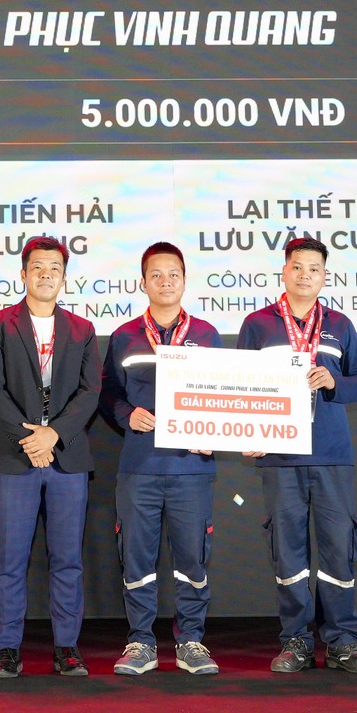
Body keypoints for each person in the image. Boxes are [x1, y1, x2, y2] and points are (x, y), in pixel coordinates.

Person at [239, 236, 357, 675]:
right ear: (284, 271)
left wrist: (334, 382)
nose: (305, 275)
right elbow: (241, 387)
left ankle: (342, 641)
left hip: (332, 455)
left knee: (339, 550)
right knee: (289, 554)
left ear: (324, 276)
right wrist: (248, 431)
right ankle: (296, 640)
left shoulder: (340, 324)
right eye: (297, 267)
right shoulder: (258, 324)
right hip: (280, 456)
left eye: (314, 268)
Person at [0, 236, 100, 678]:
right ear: (23, 274)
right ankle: (8, 648)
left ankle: (66, 647)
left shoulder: (82, 329)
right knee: (10, 559)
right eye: (38, 268)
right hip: (14, 457)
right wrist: (32, 439)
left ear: (64, 278)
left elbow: (90, 392)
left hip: (66, 458)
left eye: (54, 269)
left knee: (67, 559)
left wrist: (54, 434)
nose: (46, 275)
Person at [99, 242, 221, 677]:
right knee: (137, 559)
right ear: (143, 282)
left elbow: (225, 396)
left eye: (173, 274)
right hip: (140, 468)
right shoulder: (124, 336)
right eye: (156, 275)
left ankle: (191, 641)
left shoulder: (207, 334)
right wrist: (126, 415)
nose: (165, 282)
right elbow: (107, 394)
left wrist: (216, 433)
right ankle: (141, 642)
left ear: (185, 281)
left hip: (192, 468)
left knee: (192, 560)